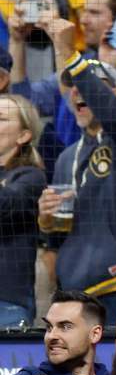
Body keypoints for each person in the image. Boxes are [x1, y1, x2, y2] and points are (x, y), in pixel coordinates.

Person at [38, 17, 116, 323]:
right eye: (73, 88)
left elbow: (112, 115)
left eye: (89, 86)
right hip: (79, 294)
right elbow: (58, 234)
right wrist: (45, 218)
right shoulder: (68, 156)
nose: (78, 92)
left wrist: (68, 52)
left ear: (115, 95)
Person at [0, 93, 46, 326]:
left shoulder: (31, 177)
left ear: (24, 135)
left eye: (1, 118)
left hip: (7, 303)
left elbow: (5, 207)